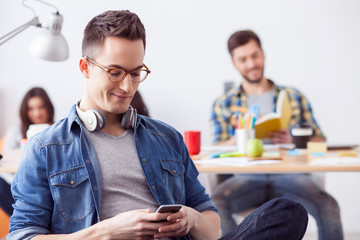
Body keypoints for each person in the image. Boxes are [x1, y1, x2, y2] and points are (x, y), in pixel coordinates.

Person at [8, 11, 308, 240]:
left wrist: (191, 218)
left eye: (136, 72)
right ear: (85, 67)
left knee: (286, 212)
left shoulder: (166, 137)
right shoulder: (45, 148)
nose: (127, 86)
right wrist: (107, 232)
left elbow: (213, 227)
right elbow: (22, 235)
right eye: (115, 72)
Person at [210, 30, 343, 240]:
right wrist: (238, 138)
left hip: (290, 176)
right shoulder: (225, 103)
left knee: (328, 204)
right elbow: (215, 149)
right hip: (247, 178)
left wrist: (295, 139)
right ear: (234, 63)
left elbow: (321, 141)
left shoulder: (293, 96)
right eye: (243, 59)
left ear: (263, 54)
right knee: (215, 202)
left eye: (255, 55)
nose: (251, 63)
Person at [0, 87, 54, 216]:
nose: (37, 113)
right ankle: (25, 224)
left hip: (49, 184)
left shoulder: (57, 129)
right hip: (20, 185)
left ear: (48, 108)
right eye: (31, 108)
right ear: (25, 110)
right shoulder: (16, 131)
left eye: (41, 107)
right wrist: (22, 183)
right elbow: (4, 164)